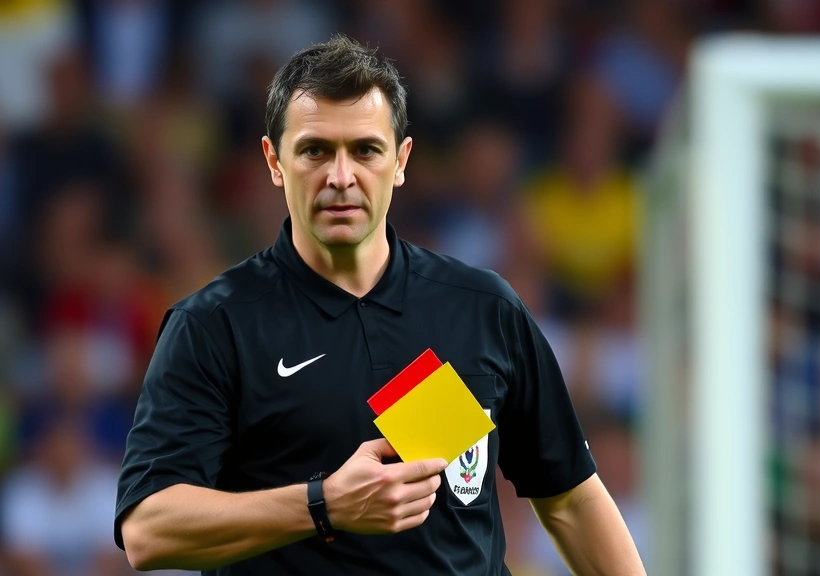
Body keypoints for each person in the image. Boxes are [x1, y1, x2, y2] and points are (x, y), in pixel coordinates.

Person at [114, 34, 646, 575]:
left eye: (365, 150)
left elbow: (572, 499)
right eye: (315, 150)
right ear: (274, 161)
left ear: (401, 160)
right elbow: (148, 529)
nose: (340, 177)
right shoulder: (213, 324)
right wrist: (323, 506)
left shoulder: (483, 308)